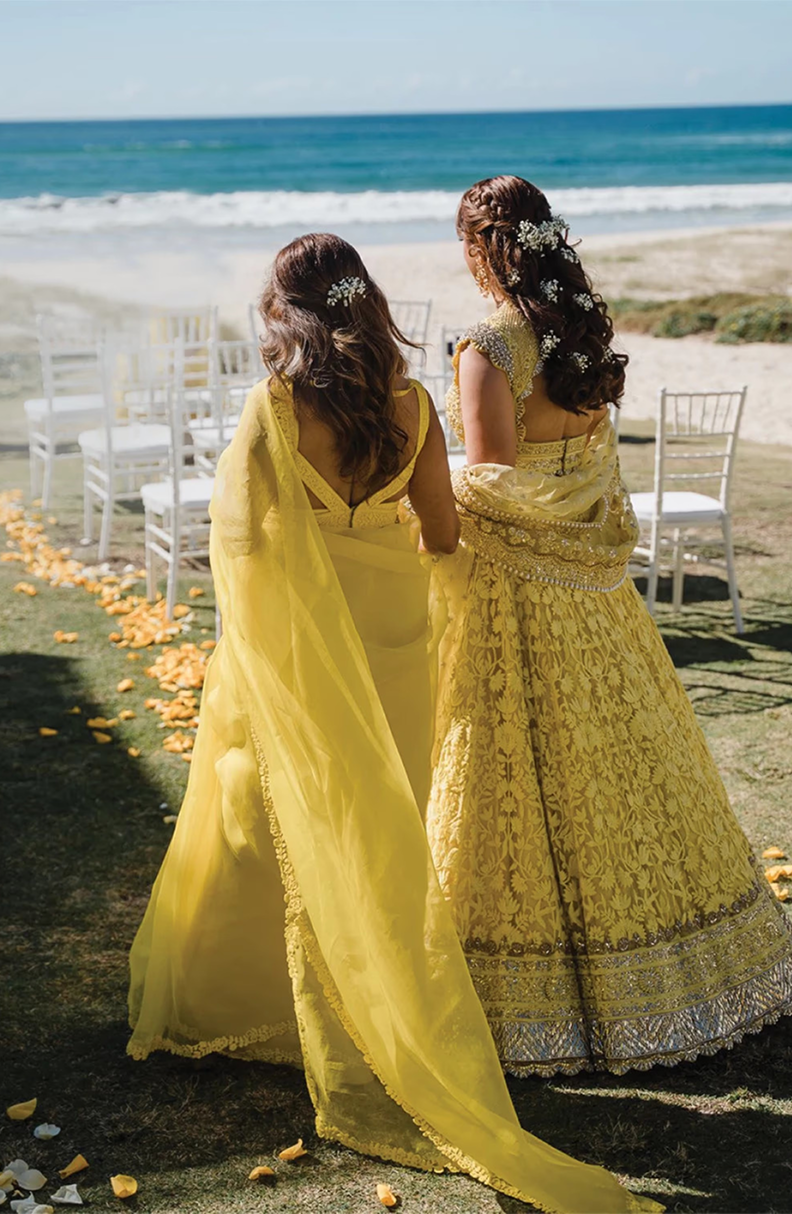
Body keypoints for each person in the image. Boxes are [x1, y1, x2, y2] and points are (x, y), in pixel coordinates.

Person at [127, 233, 661, 1213]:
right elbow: (443, 532)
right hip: (396, 641)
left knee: (262, 819)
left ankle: (251, 1009)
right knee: (382, 827)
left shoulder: (273, 409)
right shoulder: (411, 404)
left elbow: (239, 543)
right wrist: (381, 530)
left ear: (285, 313)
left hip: (297, 646)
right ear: (366, 305)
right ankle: (361, 992)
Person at [427, 175, 792, 1079]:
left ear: (481, 245)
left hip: (516, 593)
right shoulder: (580, 328)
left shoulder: (489, 344)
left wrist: (421, 484)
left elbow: (495, 484)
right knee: (622, 755)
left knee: (516, 768)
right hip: (595, 592)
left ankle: (527, 994)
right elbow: (580, 464)